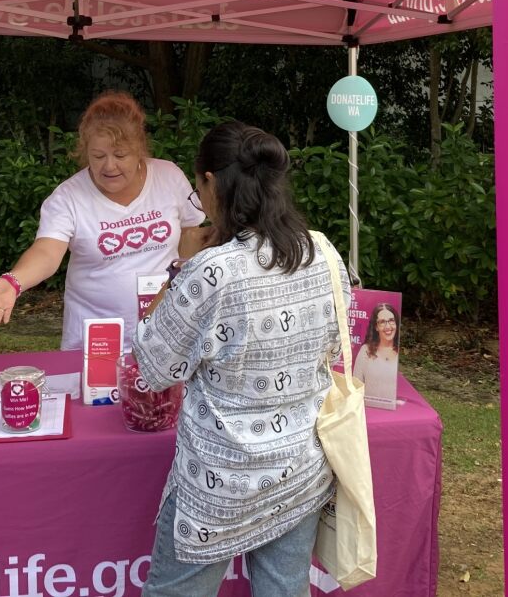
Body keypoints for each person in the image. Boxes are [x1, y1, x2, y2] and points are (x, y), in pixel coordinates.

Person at [132, 121, 349, 597]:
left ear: (211, 182)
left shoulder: (211, 270)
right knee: (285, 589)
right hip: (300, 467)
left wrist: (177, 271)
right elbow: (335, 344)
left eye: (196, 189)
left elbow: (153, 368)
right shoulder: (323, 251)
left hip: (218, 483)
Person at [0, 92, 207, 351]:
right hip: (96, 338)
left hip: (164, 329)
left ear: (140, 149)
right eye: (98, 156)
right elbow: (47, 252)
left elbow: (192, 233)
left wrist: (184, 282)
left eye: (120, 155)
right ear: (85, 151)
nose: (109, 166)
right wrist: (14, 281)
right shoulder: (68, 197)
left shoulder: (169, 176)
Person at [352, 303, 400, 404]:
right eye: (382, 322)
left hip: (392, 408)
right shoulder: (365, 351)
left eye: (391, 320)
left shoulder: (400, 352)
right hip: (368, 407)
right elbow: (355, 386)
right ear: (376, 327)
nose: (388, 326)